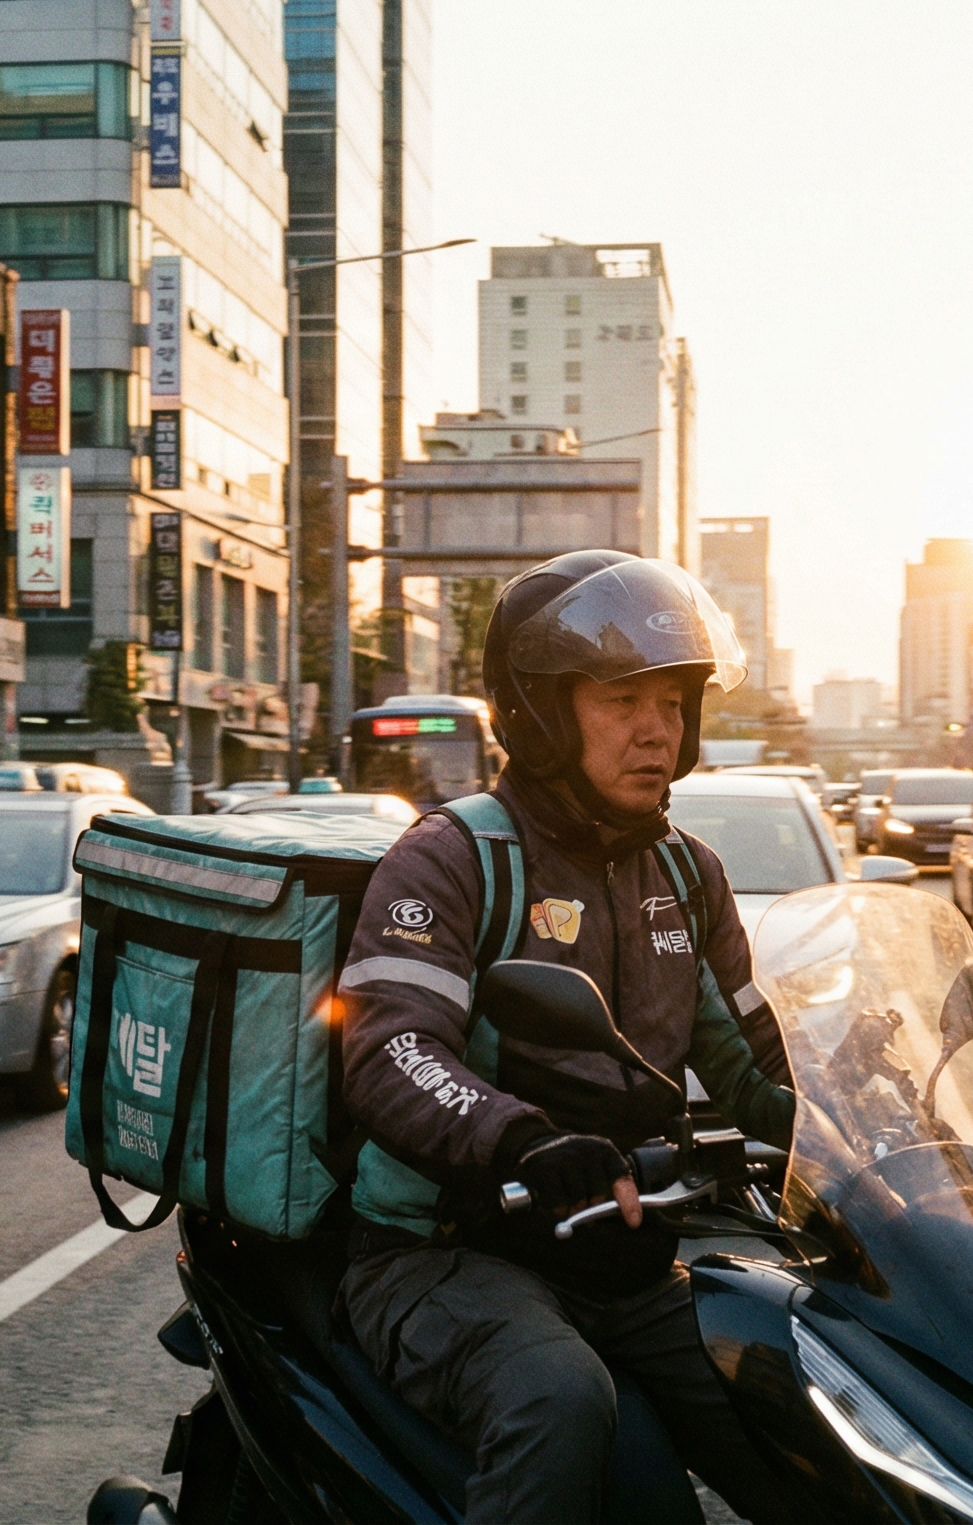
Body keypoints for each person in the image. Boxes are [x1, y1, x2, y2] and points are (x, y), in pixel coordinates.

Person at [335, 551, 803, 1525]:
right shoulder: (454, 856)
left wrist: (874, 1123)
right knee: (557, 1398)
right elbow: (390, 1050)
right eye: (622, 698)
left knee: (802, 1398)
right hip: (447, 1249)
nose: (656, 730)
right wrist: (521, 1139)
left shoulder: (687, 876)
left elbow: (754, 1059)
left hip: (621, 1254)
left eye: (672, 702)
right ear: (542, 712)